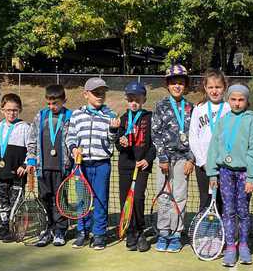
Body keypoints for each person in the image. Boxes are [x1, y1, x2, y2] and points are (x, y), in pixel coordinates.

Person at [206, 84, 253, 267]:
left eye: (241, 99)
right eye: (233, 99)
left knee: (243, 211)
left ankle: (243, 245)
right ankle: (230, 246)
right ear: (228, 100)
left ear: (246, 101)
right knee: (228, 210)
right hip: (225, 172)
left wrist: (252, 177)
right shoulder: (222, 120)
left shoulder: (252, 120)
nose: (237, 103)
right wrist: (213, 173)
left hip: (244, 173)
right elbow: (214, 147)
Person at [66, 78, 119, 250]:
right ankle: (82, 232)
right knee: (83, 200)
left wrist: (113, 130)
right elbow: (71, 136)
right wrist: (73, 148)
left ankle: (99, 234)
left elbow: (112, 140)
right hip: (81, 165)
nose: (100, 95)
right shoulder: (76, 114)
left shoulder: (110, 115)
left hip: (102, 163)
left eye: (102, 92)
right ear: (86, 94)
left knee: (100, 200)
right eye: (96, 92)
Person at [151, 64, 195, 253]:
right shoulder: (160, 106)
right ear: (167, 85)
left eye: (181, 83)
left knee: (180, 196)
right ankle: (163, 232)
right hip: (164, 160)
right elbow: (156, 133)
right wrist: (162, 157)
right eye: (173, 83)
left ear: (185, 85)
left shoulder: (191, 108)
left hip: (183, 160)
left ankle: (176, 233)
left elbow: (195, 136)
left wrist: (191, 159)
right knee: (164, 196)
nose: (177, 86)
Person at [26, 84, 73, 247]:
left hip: (62, 168)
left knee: (60, 199)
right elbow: (32, 139)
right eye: (49, 103)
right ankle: (46, 229)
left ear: (64, 100)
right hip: (42, 168)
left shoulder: (70, 116)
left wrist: (73, 159)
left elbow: (73, 140)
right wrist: (31, 159)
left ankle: (60, 230)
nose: (52, 107)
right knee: (44, 199)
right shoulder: (40, 116)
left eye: (56, 103)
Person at [115, 81, 156, 252]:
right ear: (126, 99)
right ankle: (130, 232)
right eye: (131, 99)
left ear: (144, 99)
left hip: (142, 166)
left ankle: (140, 232)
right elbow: (117, 144)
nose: (134, 102)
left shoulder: (149, 117)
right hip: (125, 166)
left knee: (138, 198)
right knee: (126, 201)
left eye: (137, 99)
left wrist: (148, 159)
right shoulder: (123, 119)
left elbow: (155, 144)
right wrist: (121, 142)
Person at [0, 93, 31, 242]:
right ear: (2, 110)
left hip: (18, 175)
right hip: (1, 173)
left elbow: (31, 149)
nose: (11, 113)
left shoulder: (25, 127)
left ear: (19, 110)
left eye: (15, 110)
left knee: (16, 203)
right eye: (8, 110)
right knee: (3, 203)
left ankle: (15, 230)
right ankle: (5, 226)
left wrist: (25, 164)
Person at [189, 69, 230, 213]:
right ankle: (205, 233)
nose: (214, 91)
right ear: (205, 88)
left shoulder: (229, 108)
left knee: (223, 200)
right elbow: (193, 137)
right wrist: (202, 161)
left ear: (224, 87)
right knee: (206, 199)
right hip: (204, 164)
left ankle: (223, 233)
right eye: (211, 87)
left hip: (225, 165)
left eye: (218, 87)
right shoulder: (199, 109)